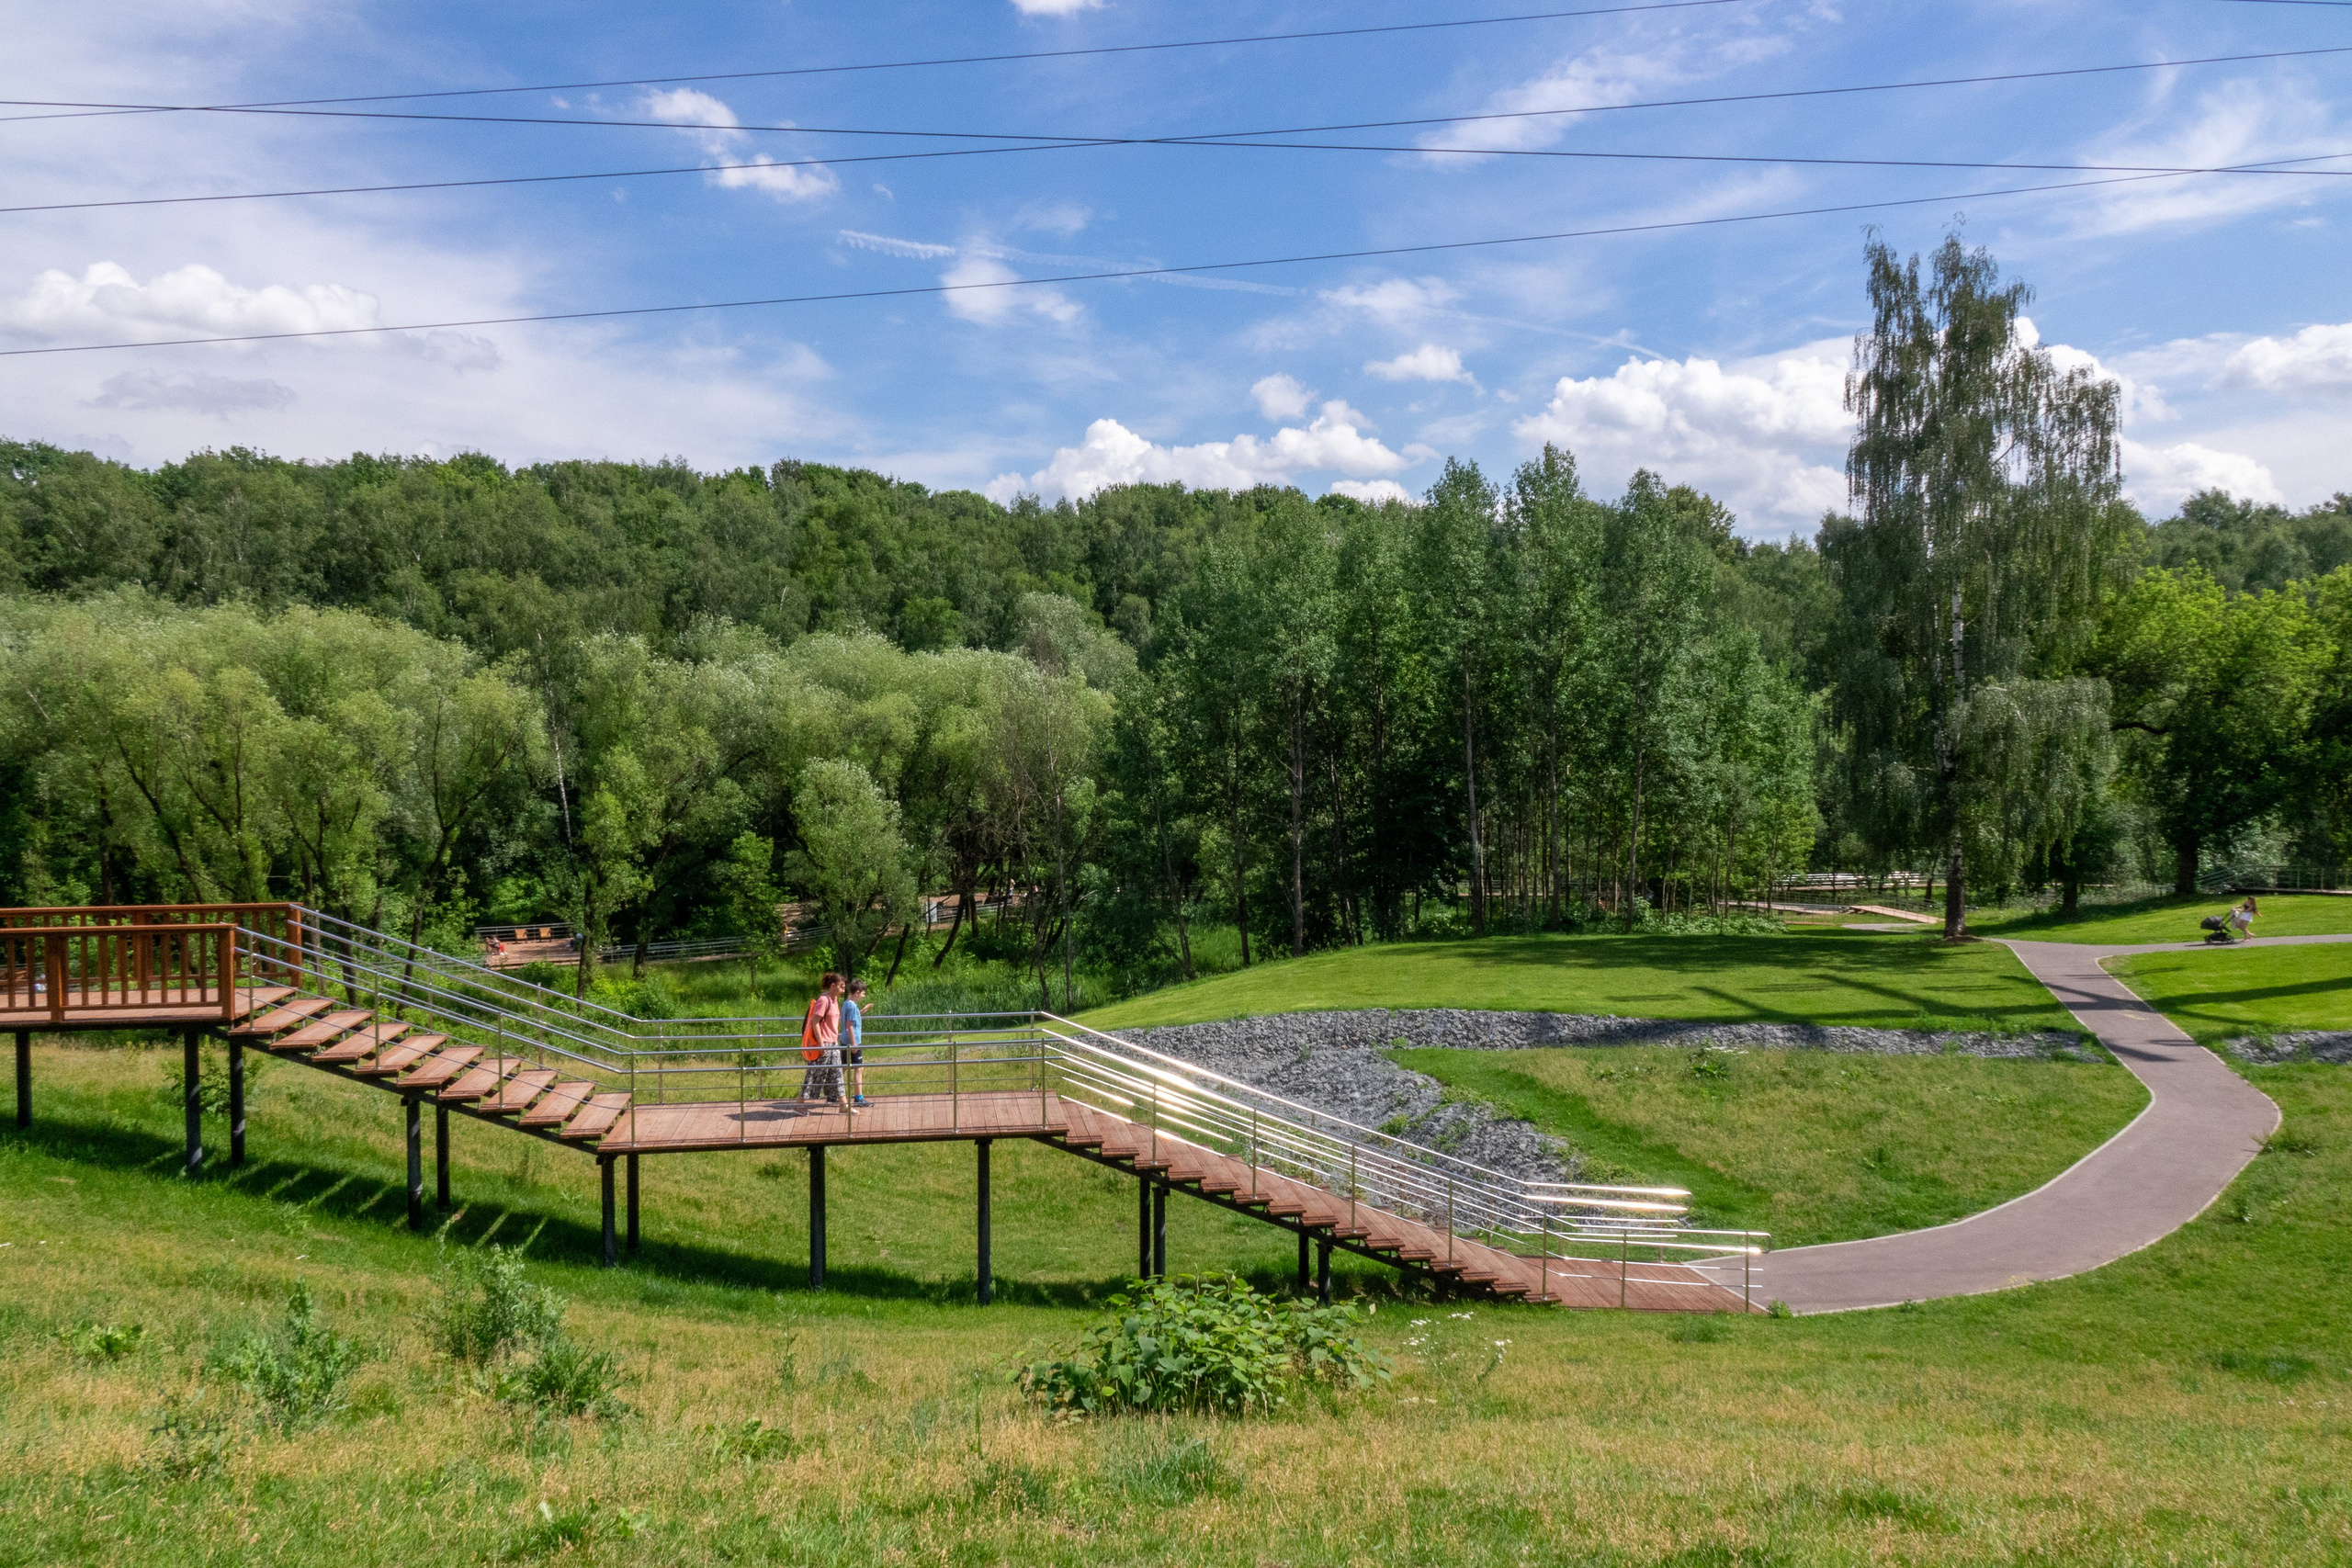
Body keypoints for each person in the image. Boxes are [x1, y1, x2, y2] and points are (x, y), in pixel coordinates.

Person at [798, 972, 844, 1106]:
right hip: (823, 1043)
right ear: (833, 985)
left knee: (837, 1074)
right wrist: (821, 1044)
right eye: (841, 987)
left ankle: (843, 1105)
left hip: (833, 1043)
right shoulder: (824, 1000)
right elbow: (815, 1022)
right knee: (813, 1075)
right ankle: (800, 1104)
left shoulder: (835, 1000)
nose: (843, 990)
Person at [843, 977, 870, 1108]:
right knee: (859, 1068)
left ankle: (833, 1094)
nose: (864, 996)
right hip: (852, 1041)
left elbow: (850, 1017)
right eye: (863, 993)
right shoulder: (853, 1006)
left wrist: (862, 1011)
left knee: (843, 1067)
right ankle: (858, 1097)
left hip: (844, 1040)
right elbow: (849, 1025)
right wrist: (854, 1044)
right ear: (857, 992)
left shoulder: (846, 1003)